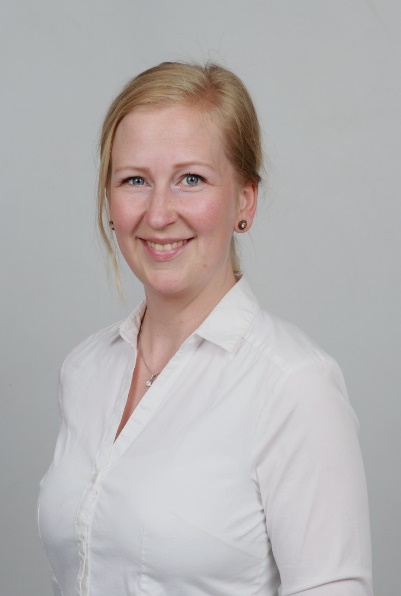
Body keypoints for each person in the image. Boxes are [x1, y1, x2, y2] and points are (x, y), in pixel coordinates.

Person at [38, 62, 373, 595]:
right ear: (109, 201)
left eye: (190, 179)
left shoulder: (293, 386)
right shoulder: (84, 371)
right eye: (135, 180)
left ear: (244, 200)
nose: (159, 213)